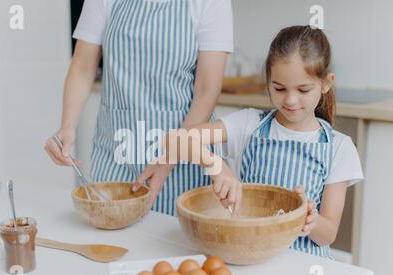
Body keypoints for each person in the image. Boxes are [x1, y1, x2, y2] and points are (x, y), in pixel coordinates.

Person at [135, 25, 364, 258]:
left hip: (303, 268)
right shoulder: (249, 123)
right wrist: (217, 166)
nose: (291, 100)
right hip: (249, 257)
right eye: (279, 88)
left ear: (326, 83)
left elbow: (328, 234)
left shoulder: (338, 148)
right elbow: (177, 138)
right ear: (268, 81)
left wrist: (312, 221)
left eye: (303, 90)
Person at [45, 0, 234, 215]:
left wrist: (167, 160)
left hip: (185, 154)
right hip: (117, 152)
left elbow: (207, 90)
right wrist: (67, 126)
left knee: (178, 240)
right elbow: (82, 68)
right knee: (116, 240)